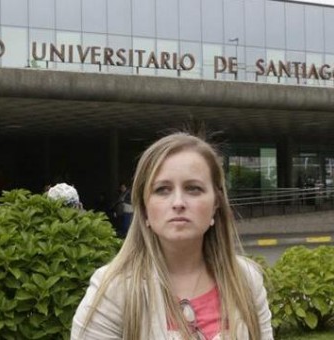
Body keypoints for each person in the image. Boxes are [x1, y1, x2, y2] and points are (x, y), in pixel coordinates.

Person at [72, 132, 272, 339]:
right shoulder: (113, 290)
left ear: (215, 204)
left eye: (193, 189)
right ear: (144, 207)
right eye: (162, 190)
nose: (178, 202)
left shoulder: (247, 280)